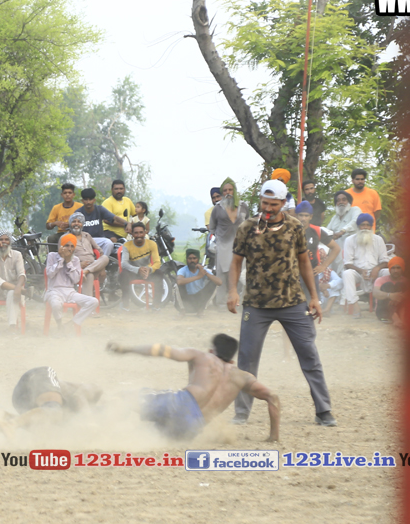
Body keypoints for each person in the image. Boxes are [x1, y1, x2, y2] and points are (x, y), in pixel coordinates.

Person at [227, 179, 334, 427]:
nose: (268, 208)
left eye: (273, 204)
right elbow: (236, 262)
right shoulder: (246, 227)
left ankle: (324, 410)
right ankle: (241, 412)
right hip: (256, 303)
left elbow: (304, 262)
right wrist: (232, 291)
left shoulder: (295, 227)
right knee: (247, 359)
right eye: (264, 203)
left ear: (284, 203)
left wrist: (314, 297)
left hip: (292, 301)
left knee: (309, 355)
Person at [107, 334, 281, 442]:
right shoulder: (242, 377)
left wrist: (126, 349)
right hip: (192, 426)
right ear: (232, 360)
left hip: (182, 402)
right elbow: (272, 397)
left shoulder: (203, 356)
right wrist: (274, 436)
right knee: (146, 436)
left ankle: (96, 421)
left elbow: (162, 350)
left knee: (124, 398)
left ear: (212, 351)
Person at [0, 366, 102, 436]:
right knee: (54, 411)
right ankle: (13, 424)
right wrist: (90, 422)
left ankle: (5, 416)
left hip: (21, 399)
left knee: (47, 431)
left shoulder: (70, 419)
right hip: (39, 376)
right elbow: (79, 395)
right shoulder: (97, 392)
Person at [44, 234, 98, 331]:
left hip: (70, 292)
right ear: (61, 246)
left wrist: (69, 262)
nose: (69, 249)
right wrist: (61, 259)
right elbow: (50, 274)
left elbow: (76, 280)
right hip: (54, 291)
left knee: (93, 301)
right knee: (56, 304)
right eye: (67, 245)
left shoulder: (75, 260)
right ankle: (60, 325)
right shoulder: (51, 256)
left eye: (72, 246)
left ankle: (72, 323)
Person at [340, 213, 388, 316]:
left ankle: (384, 306)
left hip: (375, 273)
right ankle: (355, 306)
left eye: (368, 225)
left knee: (387, 272)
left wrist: (376, 269)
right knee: (347, 274)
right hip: (357, 272)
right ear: (358, 226)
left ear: (371, 227)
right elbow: (347, 263)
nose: (365, 227)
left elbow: (385, 261)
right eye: (362, 225)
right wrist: (361, 271)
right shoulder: (349, 240)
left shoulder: (378, 240)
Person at [0, 229, 26, 330]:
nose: (4, 242)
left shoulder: (17, 255)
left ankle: (12, 326)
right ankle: (16, 288)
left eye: (6, 239)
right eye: (1, 239)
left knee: (12, 292)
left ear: (10, 241)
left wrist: (17, 288)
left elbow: (22, 275)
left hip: (13, 292)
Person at [209, 177, 241, 305]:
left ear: (234, 191)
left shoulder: (243, 207)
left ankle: (240, 301)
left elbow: (248, 225)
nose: (228, 192)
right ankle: (221, 303)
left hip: (240, 247)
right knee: (223, 275)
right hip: (223, 246)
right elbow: (212, 228)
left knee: (241, 274)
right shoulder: (217, 209)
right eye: (225, 190)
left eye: (230, 190)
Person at [118, 222, 163, 310]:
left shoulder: (152, 244)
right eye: (136, 233)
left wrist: (149, 269)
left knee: (159, 273)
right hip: (133, 272)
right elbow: (124, 264)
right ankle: (125, 305)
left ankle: (156, 305)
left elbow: (157, 263)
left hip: (147, 272)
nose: (139, 235)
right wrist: (138, 269)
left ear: (145, 232)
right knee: (123, 275)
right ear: (132, 234)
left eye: (141, 232)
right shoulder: (127, 245)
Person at [65, 211, 111, 296]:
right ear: (70, 224)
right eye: (74, 221)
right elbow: (63, 257)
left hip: (92, 266)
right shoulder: (66, 238)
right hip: (77, 269)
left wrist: (102, 268)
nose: (76, 224)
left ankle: (86, 272)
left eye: (79, 222)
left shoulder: (87, 235)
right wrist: (79, 264)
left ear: (82, 224)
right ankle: (88, 301)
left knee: (105, 258)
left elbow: (99, 250)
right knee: (89, 275)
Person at [295, 200, 340, 278]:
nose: (303, 218)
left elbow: (336, 248)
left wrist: (323, 266)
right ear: (296, 216)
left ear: (311, 217)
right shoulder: (289, 230)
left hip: (312, 272)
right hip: (293, 273)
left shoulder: (316, 230)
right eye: (301, 215)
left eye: (306, 216)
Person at [175, 248, 221, 317]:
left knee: (214, 283)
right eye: (190, 258)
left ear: (198, 259)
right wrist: (198, 277)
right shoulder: (183, 270)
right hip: (185, 300)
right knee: (176, 285)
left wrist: (205, 273)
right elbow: (179, 281)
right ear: (187, 259)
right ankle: (182, 311)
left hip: (198, 301)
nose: (192, 260)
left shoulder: (202, 270)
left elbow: (219, 282)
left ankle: (201, 310)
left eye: (194, 258)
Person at [372, 255, 407, 325]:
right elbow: (375, 293)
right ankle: (395, 317)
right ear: (390, 269)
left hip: (400, 310)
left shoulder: (406, 281)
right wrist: (390, 295)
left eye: (398, 268)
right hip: (384, 312)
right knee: (388, 285)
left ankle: (400, 317)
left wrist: (399, 297)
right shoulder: (381, 280)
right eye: (393, 268)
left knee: (400, 285)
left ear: (402, 269)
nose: (396, 271)